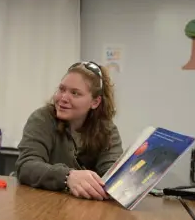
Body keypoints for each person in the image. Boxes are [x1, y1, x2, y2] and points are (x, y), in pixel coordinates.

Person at [15, 61, 123, 201]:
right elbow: (26, 166)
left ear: (95, 102)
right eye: (61, 89)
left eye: (75, 93)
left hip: (82, 209)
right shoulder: (42, 118)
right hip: (38, 203)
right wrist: (67, 176)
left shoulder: (107, 130)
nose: (63, 98)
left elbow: (111, 175)